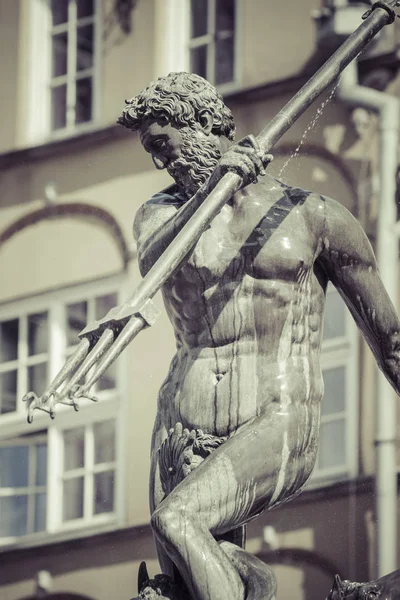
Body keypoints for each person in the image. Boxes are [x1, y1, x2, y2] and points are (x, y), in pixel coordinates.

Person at [118, 72, 400, 600]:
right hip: (179, 427)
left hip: (277, 418)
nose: (160, 164)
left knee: (178, 520)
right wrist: (207, 191)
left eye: (163, 145)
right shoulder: (160, 214)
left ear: (202, 124)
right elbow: (155, 261)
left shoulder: (315, 217)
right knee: (190, 580)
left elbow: (392, 341)